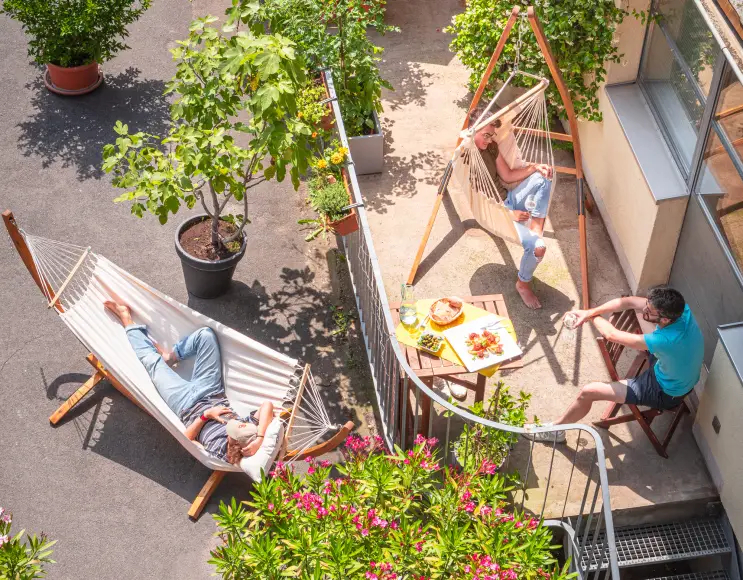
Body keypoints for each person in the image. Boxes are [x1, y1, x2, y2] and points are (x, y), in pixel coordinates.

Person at [103, 299, 275, 465]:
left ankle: (127, 320)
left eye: (236, 428)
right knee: (205, 335)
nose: (237, 423)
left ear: (235, 444)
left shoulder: (221, 451)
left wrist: (206, 416)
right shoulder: (250, 431)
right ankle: (170, 357)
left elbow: (187, 440)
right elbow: (267, 405)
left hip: (184, 403)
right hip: (212, 390)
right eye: (241, 424)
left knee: (151, 363)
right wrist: (260, 438)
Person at [524, 286, 704, 443]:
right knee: (641, 327)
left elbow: (611, 335)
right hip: (684, 377)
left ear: (665, 319)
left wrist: (589, 316)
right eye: (647, 305)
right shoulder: (681, 311)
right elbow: (628, 302)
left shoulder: (664, 340)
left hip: (665, 391)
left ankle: (555, 430)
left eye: (649, 311)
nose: (644, 311)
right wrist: (589, 311)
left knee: (589, 392)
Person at [471, 105, 553, 310]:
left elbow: (507, 176)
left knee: (543, 178)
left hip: (508, 201)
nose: (489, 140)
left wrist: (535, 167)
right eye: (486, 135)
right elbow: (479, 200)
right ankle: (523, 284)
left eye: (492, 135)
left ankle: (535, 229)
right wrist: (509, 215)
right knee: (538, 248)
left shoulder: (492, 146)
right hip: (495, 212)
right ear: (473, 128)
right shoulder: (467, 157)